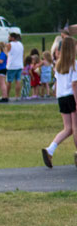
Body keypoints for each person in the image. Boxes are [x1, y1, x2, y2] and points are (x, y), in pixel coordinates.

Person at [42, 36, 77, 168]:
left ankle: (50, 149)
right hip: (71, 96)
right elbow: (74, 84)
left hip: (61, 97)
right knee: (75, 127)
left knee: (67, 128)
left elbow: (57, 84)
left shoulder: (58, 64)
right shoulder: (74, 64)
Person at [6, 33, 24, 100]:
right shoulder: (20, 44)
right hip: (19, 64)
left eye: (9, 37)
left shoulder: (10, 44)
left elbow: (6, 52)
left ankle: (7, 95)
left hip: (12, 65)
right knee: (18, 80)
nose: (8, 38)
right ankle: (17, 96)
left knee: (9, 81)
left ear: (13, 38)